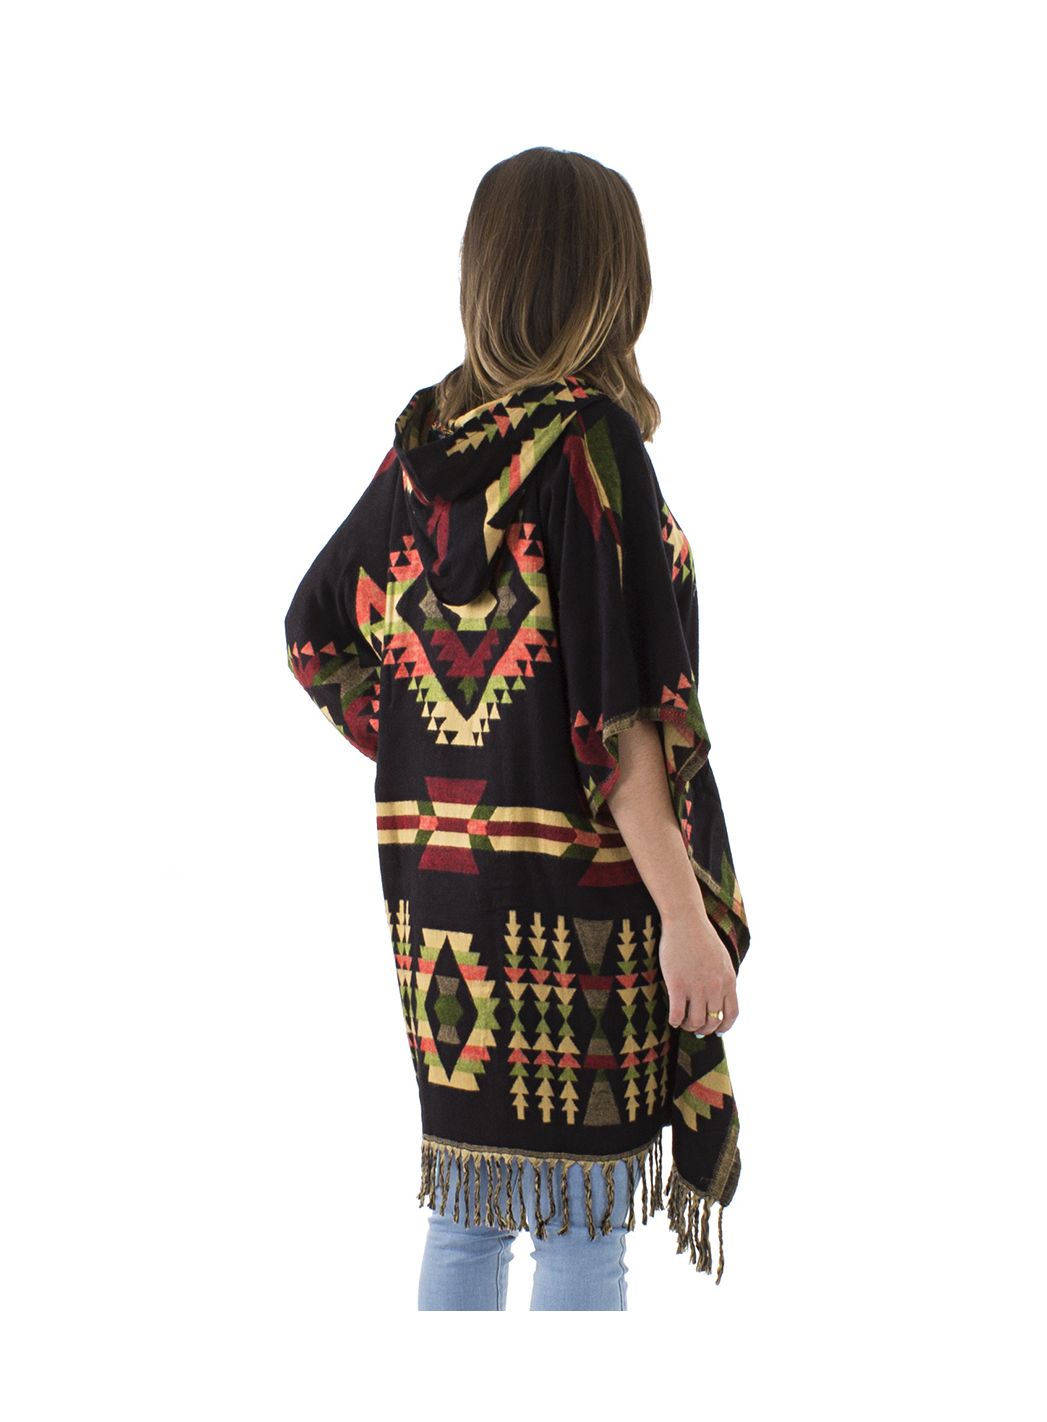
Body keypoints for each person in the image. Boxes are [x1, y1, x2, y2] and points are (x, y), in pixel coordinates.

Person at [283, 145, 751, 1311]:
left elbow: (314, 635)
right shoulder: (591, 449)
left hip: (441, 906)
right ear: (612, 280)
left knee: (469, 1219)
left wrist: (441, 755)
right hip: (580, 902)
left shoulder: (421, 457)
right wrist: (685, 921)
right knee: (582, 1229)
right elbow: (622, 726)